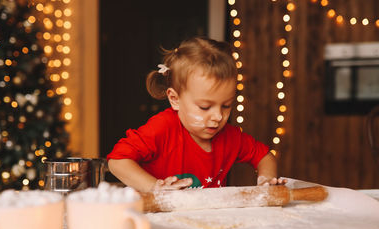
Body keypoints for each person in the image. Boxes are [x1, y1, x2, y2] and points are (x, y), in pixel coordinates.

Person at [107, 37, 284, 192]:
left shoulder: (230, 137)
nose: (218, 116)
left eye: (226, 106)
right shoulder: (162, 128)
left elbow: (265, 157)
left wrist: (266, 181)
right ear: (175, 99)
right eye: (205, 107)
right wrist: (155, 187)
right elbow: (117, 162)